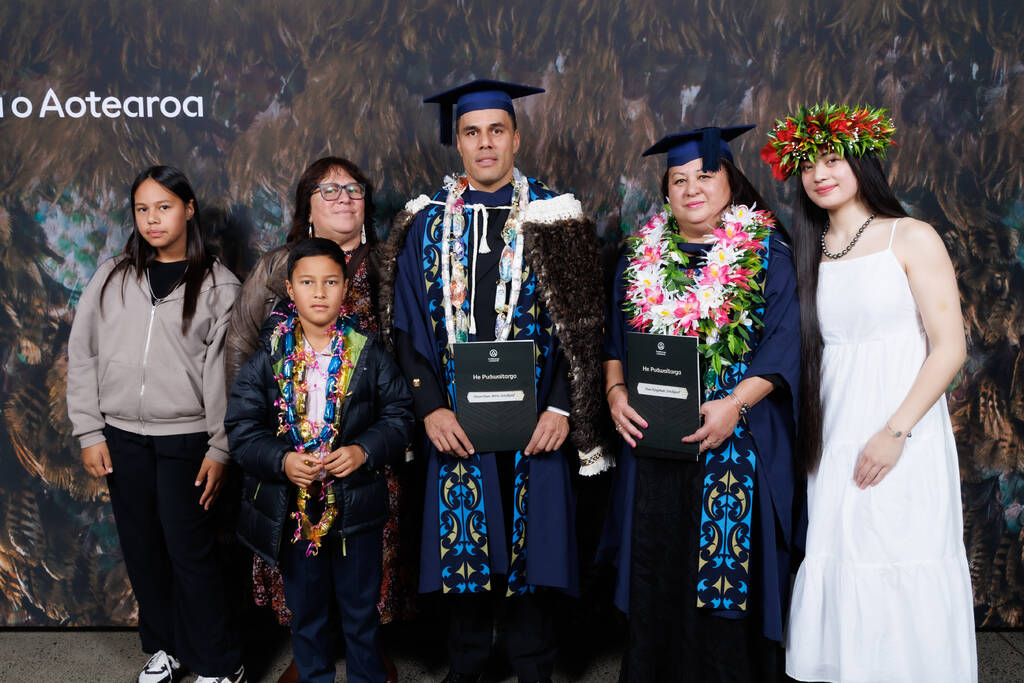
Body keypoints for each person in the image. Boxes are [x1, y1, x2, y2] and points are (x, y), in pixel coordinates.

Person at [379, 79, 609, 683]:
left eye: (497, 131)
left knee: (537, 545)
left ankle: (535, 665)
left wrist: (562, 407)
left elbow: (584, 323)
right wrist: (429, 407)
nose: (485, 144)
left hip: (538, 416)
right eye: (472, 132)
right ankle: (470, 665)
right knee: (465, 548)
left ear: (516, 136)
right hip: (456, 416)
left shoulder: (555, 217)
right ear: (456, 141)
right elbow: (404, 324)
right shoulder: (426, 223)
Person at [762, 103, 977, 682]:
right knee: (844, 558)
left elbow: (950, 346)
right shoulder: (805, 252)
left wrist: (894, 432)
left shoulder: (910, 236)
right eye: (807, 164)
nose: (819, 173)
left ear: (862, 162)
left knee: (897, 554)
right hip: (832, 435)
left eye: (832, 159)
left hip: (901, 431)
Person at [598, 127, 801, 682]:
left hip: (736, 440)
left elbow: (783, 344)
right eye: (678, 179)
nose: (691, 188)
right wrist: (616, 393)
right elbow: (615, 345)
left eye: (704, 176)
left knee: (724, 572)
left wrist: (736, 403)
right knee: (657, 562)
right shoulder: (638, 258)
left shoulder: (766, 255)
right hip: (655, 441)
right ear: (666, 192)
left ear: (730, 183)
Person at [225, 157, 412, 683]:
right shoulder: (271, 355)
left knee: (362, 604)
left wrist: (365, 450)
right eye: (309, 283)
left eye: (332, 283)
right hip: (293, 496)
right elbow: (244, 420)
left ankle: (369, 670)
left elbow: (398, 411)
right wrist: (279, 459)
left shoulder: (368, 348)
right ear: (291, 287)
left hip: (360, 490)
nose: (322, 293)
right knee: (305, 608)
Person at [67, 165, 246, 683]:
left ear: (188, 209)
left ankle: (220, 661)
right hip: (122, 438)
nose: (152, 219)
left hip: (186, 440)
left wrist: (220, 448)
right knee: (143, 550)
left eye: (163, 207)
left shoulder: (219, 286)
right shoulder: (112, 275)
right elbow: (83, 354)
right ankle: (166, 648)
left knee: (190, 553)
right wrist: (90, 431)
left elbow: (225, 381)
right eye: (142, 209)